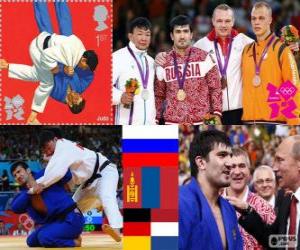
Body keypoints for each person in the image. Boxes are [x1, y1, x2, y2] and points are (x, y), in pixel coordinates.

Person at [0, 2, 98, 124]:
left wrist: (64, 70)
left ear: (71, 104)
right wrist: (78, 65)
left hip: (49, 53)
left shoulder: (56, 93)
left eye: (77, 98)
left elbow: (44, 74)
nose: (77, 94)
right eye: (79, 95)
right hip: (66, 52)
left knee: (45, 27)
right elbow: (90, 75)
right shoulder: (79, 88)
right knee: (66, 25)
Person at [30, 129, 122, 242]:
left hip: (105, 171)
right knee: (72, 209)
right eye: (45, 149)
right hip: (88, 182)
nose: (48, 151)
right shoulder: (61, 152)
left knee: (107, 196)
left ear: (55, 140)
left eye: (48, 147)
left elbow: (56, 173)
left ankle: (116, 228)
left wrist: (40, 184)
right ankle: (73, 234)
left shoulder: (63, 148)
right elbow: (64, 173)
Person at [228, 135, 300, 249]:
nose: (274, 168)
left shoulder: (267, 205)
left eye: (280, 160)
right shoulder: (287, 200)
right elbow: (275, 241)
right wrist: (247, 211)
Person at [179, 129, 243, 250]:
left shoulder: (228, 208)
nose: (230, 163)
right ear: (201, 162)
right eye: (222, 155)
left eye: (230, 156)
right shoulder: (177, 202)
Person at [155, 15, 222, 125]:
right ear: (172, 36)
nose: (182, 36)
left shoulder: (205, 58)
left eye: (185, 31)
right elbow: (159, 95)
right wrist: (156, 120)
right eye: (178, 32)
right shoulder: (163, 62)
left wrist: (216, 114)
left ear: (191, 35)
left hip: (203, 121)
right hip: (172, 122)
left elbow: (215, 88)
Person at [193, 4, 253, 124]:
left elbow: (265, 53)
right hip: (211, 112)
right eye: (219, 21)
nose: (224, 25)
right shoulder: (200, 45)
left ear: (233, 22)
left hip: (240, 110)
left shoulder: (244, 41)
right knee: (214, 137)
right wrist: (161, 57)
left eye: (227, 21)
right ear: (213, 21)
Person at [241, 1, 300, 124]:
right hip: (248, 121)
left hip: (275, 120)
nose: (256, 22)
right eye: (254, 18)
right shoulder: (246, 51)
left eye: (261, 18)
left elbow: (292, 87)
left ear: (270, 20)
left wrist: (293, 122)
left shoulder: (282, 49)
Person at [10, 160, 83, 247]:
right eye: (15, 175)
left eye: (19, 171)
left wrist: (47, 177)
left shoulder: (44, 174)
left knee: (44, 237)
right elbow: (15, 208)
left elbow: (67, 174)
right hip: (55, 223)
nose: (17, 176)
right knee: (31, 241)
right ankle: (64, 235)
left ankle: (74, 242)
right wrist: (31, 191)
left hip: (71, 218)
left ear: (28, 170)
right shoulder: (24, 193)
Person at [224, 148, 275, 250]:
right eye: (232, 167)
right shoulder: (212, 204)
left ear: (249, 171)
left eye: (242, 166)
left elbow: (277, 243)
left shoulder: (265, 208)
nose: (237, 171)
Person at [113, 17, 156, 125]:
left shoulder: (151, 62)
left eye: (147, 34)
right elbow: (101, 87)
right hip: (126, 125)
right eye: (140, 34)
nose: (144, 38)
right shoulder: (117, 57)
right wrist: (119, 96)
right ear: (130, 36)